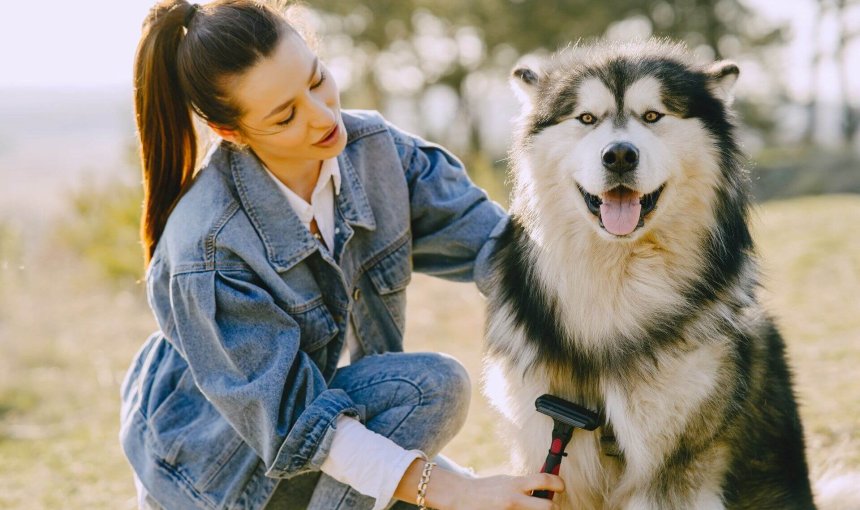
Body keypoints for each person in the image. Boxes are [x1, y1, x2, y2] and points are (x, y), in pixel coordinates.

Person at [120, 1, 565, 509]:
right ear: (231, 132)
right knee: (429, 389)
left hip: (315, 444)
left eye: (316, 80)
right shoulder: (208, 247)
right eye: (286, 116)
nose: (322, 116)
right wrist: (455, 490)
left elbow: (502, 249)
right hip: (213, 479)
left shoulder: (376, 153)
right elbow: (295, 423)